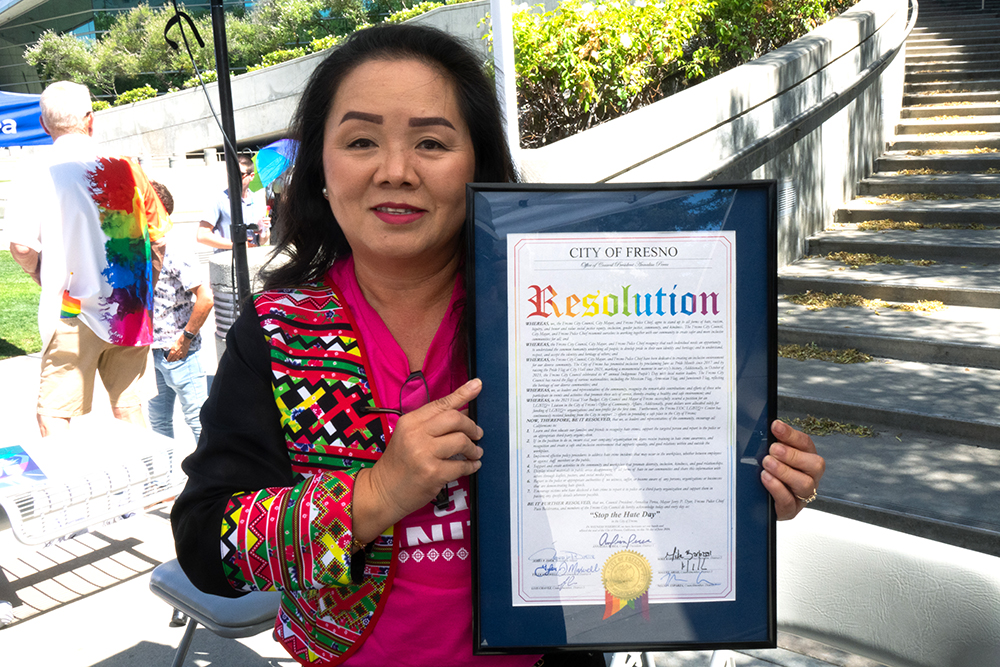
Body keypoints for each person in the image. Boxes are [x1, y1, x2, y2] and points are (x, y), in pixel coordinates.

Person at [171, 24, 825, 667]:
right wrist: (374, 494)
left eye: (430, 142)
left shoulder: (563, 306)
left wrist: (737, 488)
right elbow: (206, 544)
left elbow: (644, 467)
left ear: (478, 166)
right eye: (362, 139)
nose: (395, 170)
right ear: (320, 167)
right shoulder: (281, 330)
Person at [7, 80, 171, 437]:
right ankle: (152, 486)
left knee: (54, 415)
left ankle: (70, 488)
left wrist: (40, 274)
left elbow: (21, 246)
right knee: (129, 409)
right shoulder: (128, 167)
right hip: (128, 307)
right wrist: (144, 288)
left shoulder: (38, 170)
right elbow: (159, 240)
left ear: (44, 124)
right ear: (90, 120)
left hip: (71, 307)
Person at [148, 182, 214, 443]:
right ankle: (160, 480)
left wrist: (184, 339)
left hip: (180, 353)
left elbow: (205, 298)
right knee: (158, 421)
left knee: (199, 421)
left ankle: (210, 482)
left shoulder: (176, 248)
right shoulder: (141, 246)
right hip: (150, 351)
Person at [196, 154, 270, 250]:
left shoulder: (257, 200)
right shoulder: (219, 200)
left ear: (251, 176)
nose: (234, 178)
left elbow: (262, 240)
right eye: (231, 173)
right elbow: (202, 236)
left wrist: (264, 230)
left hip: (252, 259)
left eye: (240, 175)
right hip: (227, 260)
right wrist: (237, 245)